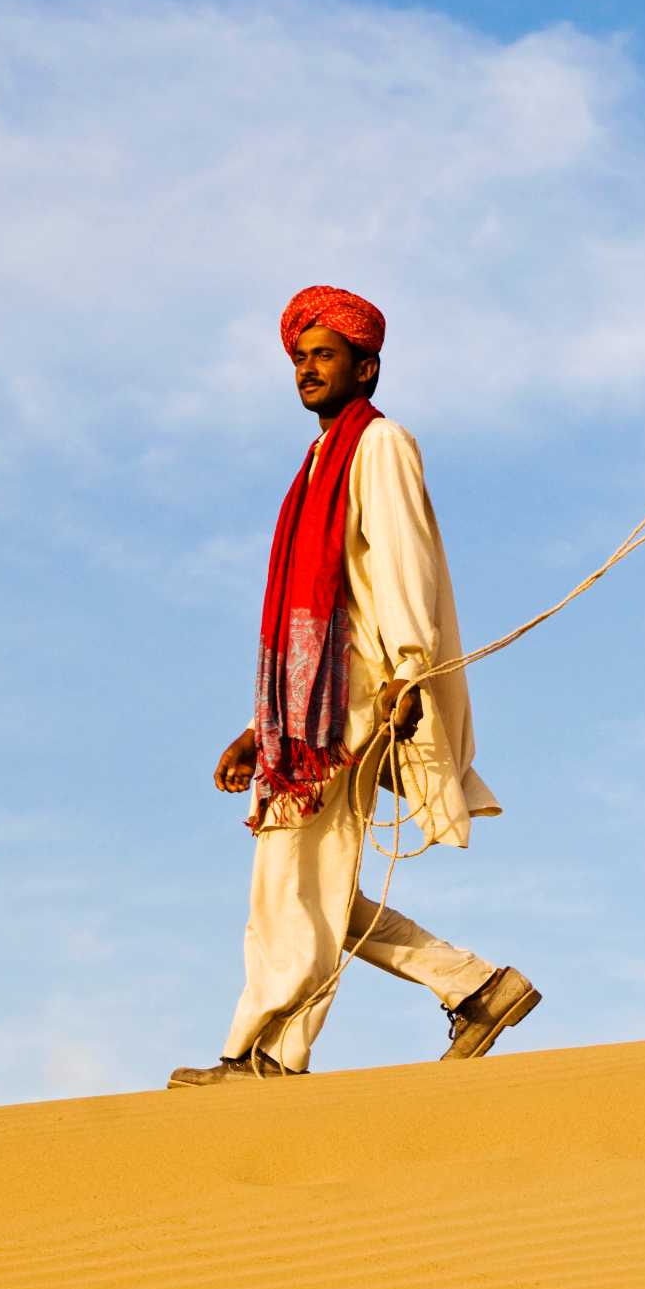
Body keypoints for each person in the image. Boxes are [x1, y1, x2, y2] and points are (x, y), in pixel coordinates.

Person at [167, 286, 537, 1088]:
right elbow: (315, 605)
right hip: (312, 704)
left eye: (324, 355)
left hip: (361, 690)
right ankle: (476, 987)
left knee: (290, 877)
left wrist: (410, 668)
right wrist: (259, 726)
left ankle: (265, 1055)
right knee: (309, 880)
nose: (306, 368)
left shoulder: (379, 445)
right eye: (299, 357)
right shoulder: (315, 467)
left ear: (365, 367)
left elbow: (403, 563)